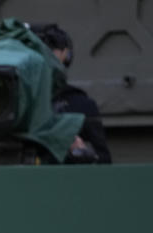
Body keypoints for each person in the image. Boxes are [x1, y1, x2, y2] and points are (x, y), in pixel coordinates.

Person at [31, 23, 111, 164]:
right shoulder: (10, 105)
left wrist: (82, 152)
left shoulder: (80, 105)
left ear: (65, 55)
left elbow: (103, 160)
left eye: (50, 49)